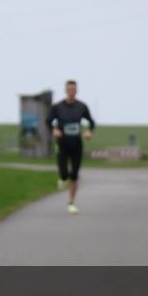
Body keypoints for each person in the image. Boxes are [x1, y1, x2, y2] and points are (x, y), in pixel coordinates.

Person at [49, 80, 95, 214]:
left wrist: (88, 131)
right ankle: (63, 179)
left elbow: (91, 122)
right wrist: (54, 130)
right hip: (62, 145)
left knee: (74, 175)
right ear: (65, 90)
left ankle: (71, 203)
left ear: (76, 91)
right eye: (69, 89)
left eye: (73, 89)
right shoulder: (58, 107)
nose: (71, 92)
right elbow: (48, 121)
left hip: (76, 145)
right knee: (64, 173)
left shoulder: (81, 107)